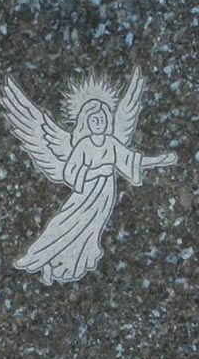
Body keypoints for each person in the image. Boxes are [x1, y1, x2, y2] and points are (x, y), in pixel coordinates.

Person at [15, 98, 176, 284]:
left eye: (101, 118)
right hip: (85, 195)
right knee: (65, 224)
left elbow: (132, 159)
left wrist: (158, 160)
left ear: (107, 119)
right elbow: (70, 172)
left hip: (104, 198)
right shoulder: (84, 146)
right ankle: (41, 258)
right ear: (87, 122)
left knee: (88, 235)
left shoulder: (111, 143)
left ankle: (60, 269)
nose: (98, 122)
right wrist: (97, 170)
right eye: (93, 119)